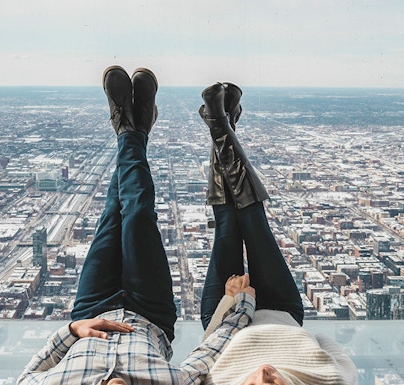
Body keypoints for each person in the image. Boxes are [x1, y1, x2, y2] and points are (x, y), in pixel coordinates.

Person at [17, 66, 256, 385]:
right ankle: (131, 130)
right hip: (150, 311)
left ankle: (133, 129)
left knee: (113, 211)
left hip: (92, 308)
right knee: (138, 213)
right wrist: (242, 305)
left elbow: (28, 378)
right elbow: (211, 352)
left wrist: (73, 331)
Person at [197, 82, 358, 385]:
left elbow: (203, 353)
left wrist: (230, 303)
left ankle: (221, 122)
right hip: (281, 309)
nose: (264, 373)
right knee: (253, 220)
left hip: (226, 312)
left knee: (228, 222)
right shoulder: (333, 382)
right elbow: (324, 341)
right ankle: (220, 123)